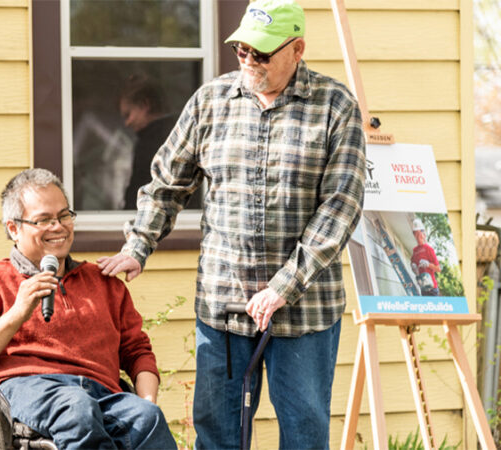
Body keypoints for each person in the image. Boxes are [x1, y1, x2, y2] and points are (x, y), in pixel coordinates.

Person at [98, 0, 366, 448]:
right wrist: (138, 244)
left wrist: (284, 285)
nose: (248, 61)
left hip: (303, 311)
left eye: (261, 53)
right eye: (242, 50)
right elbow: (167, 183)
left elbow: (340, 208)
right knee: (217, 434)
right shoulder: (210, 102)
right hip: (222, 307)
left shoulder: (335, 107)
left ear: (297, 50)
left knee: (304, 433)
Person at [0, 168, 176, 450]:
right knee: (76, 408)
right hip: (29, 389)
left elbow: (138, 352)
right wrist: (18, 312)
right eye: (43, 220)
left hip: (102, 393)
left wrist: (146, 401)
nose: (58, 227)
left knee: (146, 418)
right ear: (13, 228)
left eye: (64, 216)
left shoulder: (104, 283)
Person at [119, 74, 201, 210]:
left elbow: (139, 190)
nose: (127, 123)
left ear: (145, 104)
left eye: (128, 114)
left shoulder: (149, 143)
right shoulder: (182, 132)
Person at [410, 218, 441, 296]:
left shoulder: (429, 249)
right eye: (415, 233)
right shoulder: (415, 250)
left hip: (432, 289)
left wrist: (428, 264)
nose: (418, 236)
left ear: (424, 234)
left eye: (419, 233)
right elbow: (412, 263)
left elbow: (438, 268)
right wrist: (414, 268)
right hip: (423, 288)